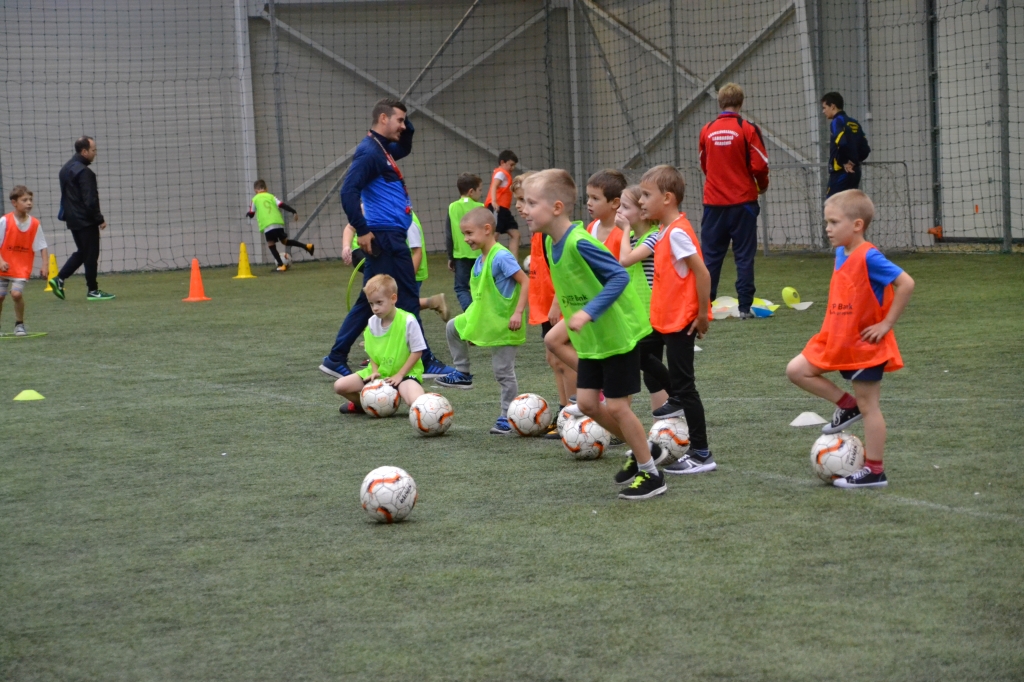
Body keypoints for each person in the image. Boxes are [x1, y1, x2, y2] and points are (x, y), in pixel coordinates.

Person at [522, 169, 667, 501]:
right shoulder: (549, 241)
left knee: (616, 406)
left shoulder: (579, 242)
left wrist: (588, 312)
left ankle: (650, 472)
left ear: (557, 207)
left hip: (615, 336)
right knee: (587, 403)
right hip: (593, 342)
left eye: (531, 203)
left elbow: (617, 277)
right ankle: (647, 450)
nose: (524, 209)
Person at [786, 190, 913, 489]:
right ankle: (847, 405)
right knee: (796, 370)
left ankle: (874, 471)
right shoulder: (842, 251)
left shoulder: (869, 255)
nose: (827, 228)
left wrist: (886, 324)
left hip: (863, 344)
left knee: (871, 406)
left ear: (857, 225)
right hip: (835, 338)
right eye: (826, 222)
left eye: (833, 222)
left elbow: (906, 283)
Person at [320, 97, 454, 380]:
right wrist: (363, 229)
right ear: (383, 119)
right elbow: (348, 192)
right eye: (399, 121)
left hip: (390, 235)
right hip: (385, 237)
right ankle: (426, 361)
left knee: (368, 299)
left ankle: (336, 357)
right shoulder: (370, 152)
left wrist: (409, 123)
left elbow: (403, 146)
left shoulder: (382, 150)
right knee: (405, 293)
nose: (403, 126)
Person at [638, 165, 715, 476]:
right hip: (663, 320)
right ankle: (678, 395)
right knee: (640, 352)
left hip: (681, 320)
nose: (641, 200)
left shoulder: (678, 232)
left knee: (688, 387)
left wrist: (702, 314)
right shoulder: (663, 231)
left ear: (667, 198)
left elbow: (703, 273)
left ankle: (701, 454)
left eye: (646, 195)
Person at [435, 207, 529, 435]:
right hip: (487, 323)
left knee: (503, 373)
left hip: (506, 324)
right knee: (452, 327)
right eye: (464, 234)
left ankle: (507, 417)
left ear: (487, 230)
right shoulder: (480, 261)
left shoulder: (501, 256)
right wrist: (473, 330)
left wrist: (517, 313)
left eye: (469, 233)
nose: (466, 239)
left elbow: (525, 282)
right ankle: (463, 373)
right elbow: (481, 300)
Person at [698, 83, 770, 318]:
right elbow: (760, 165)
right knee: (744, 256)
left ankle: (705, 307)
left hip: (713, 204)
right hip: (742, 204)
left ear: (720, 103)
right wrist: (762, 185)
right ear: (740, 103)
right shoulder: (747, 128)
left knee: (710, 256)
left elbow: (704, 164)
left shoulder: (706, 130)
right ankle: (744, 308)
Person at [516, 172, 575, 435]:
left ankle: (575, 409)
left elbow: (561, 275)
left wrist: (556, 304)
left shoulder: (554, 234)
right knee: (553, 360)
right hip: (543, 306)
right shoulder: (538, 232)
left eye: (526, 201)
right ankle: (564, 410)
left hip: (557, 306)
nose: (521, 208)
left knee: (566, 360)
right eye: (520, 201)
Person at [334, 274, 426, 415]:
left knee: (416, 402)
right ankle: (363, 405)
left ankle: (423, 398)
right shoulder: (372, 322)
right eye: (371, 304)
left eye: (379, 302)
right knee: (340, 386)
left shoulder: (408, 320)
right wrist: (375, 371)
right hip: (380, 373)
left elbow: (417, 351)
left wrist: (399, 376)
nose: (375, 308)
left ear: (393, 299)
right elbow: (372, 353)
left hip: (406, 374)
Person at [616, 185, 670, 411]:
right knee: (650, 373)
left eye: (625, 207)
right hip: (636, 315)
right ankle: (664, 422)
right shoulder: (629, 237)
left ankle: (679, 393)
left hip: (652, 315)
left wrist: (624, 230)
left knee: (640, 360)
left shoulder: (653, 237)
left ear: (642, 212)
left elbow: (625, 260)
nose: (619, 210)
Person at [344, 212, 448, 320]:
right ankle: (431, 302)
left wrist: (406, 279)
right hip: (385, 263)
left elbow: (417, 253)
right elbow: (350, 227)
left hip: (408, 270)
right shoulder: (375, 209)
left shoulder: (406, 220)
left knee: (402, 306)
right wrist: (346, 246)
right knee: (387, 302)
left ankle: (431, 302)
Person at [49, 136, 114, 301]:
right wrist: (100, 219)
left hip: (72, 220)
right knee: (91, 254)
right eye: (93, 150)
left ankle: (59, 279)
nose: (95, 154)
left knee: (83, 252)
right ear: (84, 151)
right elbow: (90, 200)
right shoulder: (85, 172)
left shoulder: (64, 169)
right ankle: (92, 291)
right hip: (86, 220)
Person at [0, 186, 48, 336]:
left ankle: (19, 324)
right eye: (24, 200)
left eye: (30, 200)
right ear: (14, 203)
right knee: (0, 296)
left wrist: (45, 265)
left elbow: (42, 246)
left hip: (21, 267)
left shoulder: (34, 224)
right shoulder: (4, 221)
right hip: (3, 266)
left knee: (16, 294)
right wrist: (0, 261)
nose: (29, 203)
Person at [246, 179, 314, 272]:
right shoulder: (271, 196)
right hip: (278, 223)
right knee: (285, 241)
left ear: (255, 190)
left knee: (271, 244)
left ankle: (281, 265)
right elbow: (282, 205)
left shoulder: (255, 199)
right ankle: (307, 246)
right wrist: (293, 211)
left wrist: (248, 214)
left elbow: (252, 213)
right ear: (266, 188)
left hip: (267, 225)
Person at [445, 173, 484, 312]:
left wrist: (451, 257)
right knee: (480, 286)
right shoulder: (481, 207)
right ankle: (480, 311)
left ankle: (470, 312)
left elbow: (449, 235)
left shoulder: (452, 207)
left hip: (460, 256)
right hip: (480, 255)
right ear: (471, 191)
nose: (481, 193)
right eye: (480, 190)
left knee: (461, 287)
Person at [821, 92, 871, 197]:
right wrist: (854, 162)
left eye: (824, 107)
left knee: (833, 205)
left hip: (840, 172)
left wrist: (845, 162)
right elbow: (865, 149)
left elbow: (842, 143)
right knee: (850, 206)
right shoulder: (854, 123)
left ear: (833, 106)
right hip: (855, 173)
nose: (823, 111)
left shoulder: (837, 122)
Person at [485, 150, 521, 259]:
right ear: (502, 162)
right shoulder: (500, 173)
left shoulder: (506, 175)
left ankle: (513, 263)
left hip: (504, 210)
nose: (512, 168)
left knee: (516, 235)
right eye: (511, 165)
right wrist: (494, 201)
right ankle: (487, 261)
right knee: (494, 236)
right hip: (497, 208)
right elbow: (494, 186)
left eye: (514, 165)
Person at [585, 169, 626, 256]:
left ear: (615, 203)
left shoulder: (624, 232)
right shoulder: (591, 227)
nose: (589, 202)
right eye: (588, 197)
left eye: (595, 198)